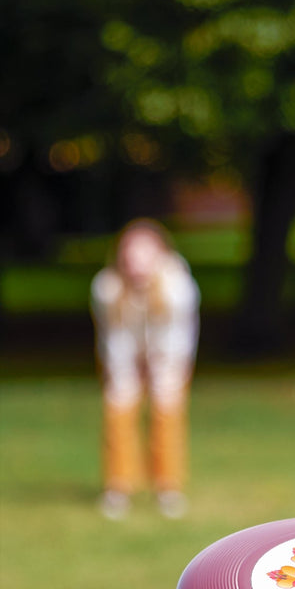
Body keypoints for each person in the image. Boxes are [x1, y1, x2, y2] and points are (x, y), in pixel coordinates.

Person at [90, 218, 200, 519]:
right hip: (123, 355)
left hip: (168, 356)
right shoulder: (107, 287)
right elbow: (114, 337)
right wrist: (125, 373)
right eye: (130, 253)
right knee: (118, 408)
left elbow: (177, 337)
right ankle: (118, 487)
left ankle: (168, 487)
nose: (136, 262)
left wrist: (161, 370)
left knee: (167, 412)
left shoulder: (178, 287)